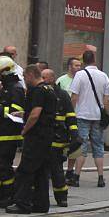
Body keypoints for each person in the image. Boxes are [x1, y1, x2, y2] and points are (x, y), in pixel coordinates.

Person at [6, 65, 57, 214]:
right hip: (47, 137)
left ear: (30, 75)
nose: (24, 80)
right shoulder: (49, 90)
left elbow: (35, 114)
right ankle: (41, 204)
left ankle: (22, 204)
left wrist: (24, 130)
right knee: (41, 171)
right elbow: (42, 113)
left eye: (24, 76)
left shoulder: (38, 91)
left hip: (36, 137)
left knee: (25, 171)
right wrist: (23, 114)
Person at [0, 56, 26, 207]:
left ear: (6, 72)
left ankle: (8, 195)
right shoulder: (6, 88)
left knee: (3, 166)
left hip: (10, 134)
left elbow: (18, 111)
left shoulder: (16, 89)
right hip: (1, 132)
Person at [69, 50, 109, 188]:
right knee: (98, 146)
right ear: (94, 59)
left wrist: (70, 113)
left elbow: (74, 96)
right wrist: (107, 114)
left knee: (82, 146)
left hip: (82, 114)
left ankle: (76, 177)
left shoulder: (80, 75)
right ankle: (100, 178)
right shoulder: (103, 76)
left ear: (83, 60)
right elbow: (107, 99)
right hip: (98, 116)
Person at [42, 68, 78, 208]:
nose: (42, 80)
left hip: (58, 138)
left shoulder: (62, 95)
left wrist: (74, 135)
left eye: (44, 77)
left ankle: (62, 197)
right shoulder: (42, 93)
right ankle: (39, 197)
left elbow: (70, 116)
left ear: (51, 78)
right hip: (44, 137)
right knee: (41, 170)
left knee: (56, 170)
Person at [57, 57, 82, 181]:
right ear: (69, 66)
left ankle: (70, 170)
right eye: (76, 65)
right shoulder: (61, 80)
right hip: (63, 118)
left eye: (79, 65)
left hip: (76, 117)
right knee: (61, 143)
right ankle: (57, 167)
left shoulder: (82, 80)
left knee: (74, 144)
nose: (79, 68)